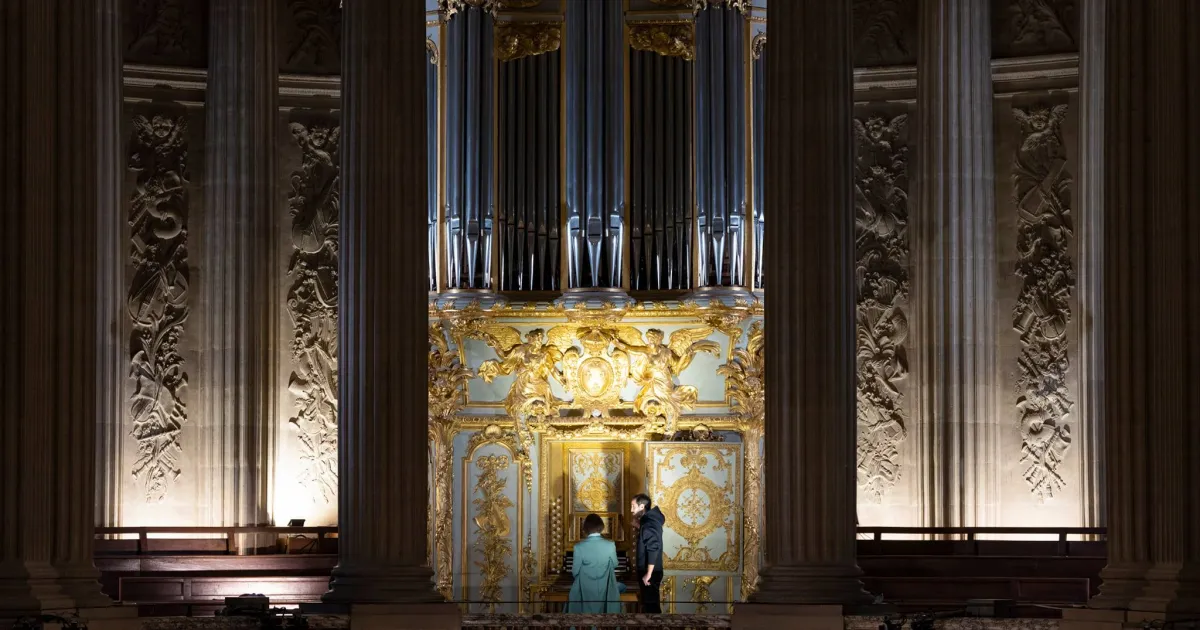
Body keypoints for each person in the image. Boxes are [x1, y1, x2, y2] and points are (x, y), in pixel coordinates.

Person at [565, 514, 622, 614]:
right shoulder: (610, 545)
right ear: (601, 526)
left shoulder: (579, 547)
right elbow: (615, 564)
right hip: (605, 589)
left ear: (586, 528)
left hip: (585, 591)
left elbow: (575, 572)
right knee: (621, 587)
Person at [631, 493, 664, 613]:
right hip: (651, 570)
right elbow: (649, 537)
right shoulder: (649, 521)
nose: (631, 510)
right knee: (650, 606)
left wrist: (648, 574)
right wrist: (639, 527)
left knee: (651, 609)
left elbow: (653, 548)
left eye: (633, 506)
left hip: (649, 572)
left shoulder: (648, 523)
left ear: (642, 506)